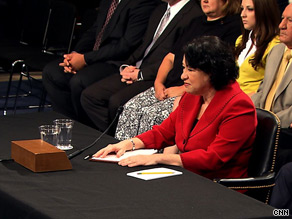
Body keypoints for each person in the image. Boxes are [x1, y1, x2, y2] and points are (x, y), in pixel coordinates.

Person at [93, 36, 257, 180]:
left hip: (217, 186)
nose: (182, 75)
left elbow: (213, 158)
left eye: (190, 70)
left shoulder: (239, 106)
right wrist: (128, 144)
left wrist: (158, 159)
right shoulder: (192, 95)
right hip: (188, 177)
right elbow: (165, 132)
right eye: (183, 67)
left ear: (212, 72)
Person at [115, 0, 242, 140]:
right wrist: (158, 83)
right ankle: (123, 154)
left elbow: (215, 73)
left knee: (152, 116)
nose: (204, 0)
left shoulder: (233, 27)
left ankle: (148, 159)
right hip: (166, 86)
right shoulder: (195, 22)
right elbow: (170, 57)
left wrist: (181, 89)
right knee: (130, 109)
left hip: (191, 91)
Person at [80, 0, 203, 132]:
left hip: (154, 75)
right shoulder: (160, 9)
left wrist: (141, 74)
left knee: (116, 102)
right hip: (137, 69)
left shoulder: (194, 15)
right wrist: (128, 66)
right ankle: (110, 138)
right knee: (90, 96)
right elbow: (143, 46)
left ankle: (116, 141)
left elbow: (175, 59)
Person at [42, 0, 161, 123]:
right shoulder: (109, 2)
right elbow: (95, 31)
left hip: (116, 61)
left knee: (79, 81)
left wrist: (85, 59)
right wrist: (75, 55)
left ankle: (85, 128)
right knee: (52, 72)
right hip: (94, 57)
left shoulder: (142, 3)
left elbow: (126, 46)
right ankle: (66, 123)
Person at [251, 3, 292, 171]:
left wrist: (267, 122)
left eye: (290, 20)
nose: (281, 25)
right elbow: (262, 92)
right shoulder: (276, 51)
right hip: (262, 124)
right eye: (282, 19)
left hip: (283, 133)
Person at [235, 0, 280, 97]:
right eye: (242, 9)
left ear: (264, 12)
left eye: (250, 9)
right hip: (233, 99)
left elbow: (271, 87)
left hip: (253, 104)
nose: (243, 14)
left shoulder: (275, 45)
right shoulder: (240, 40)